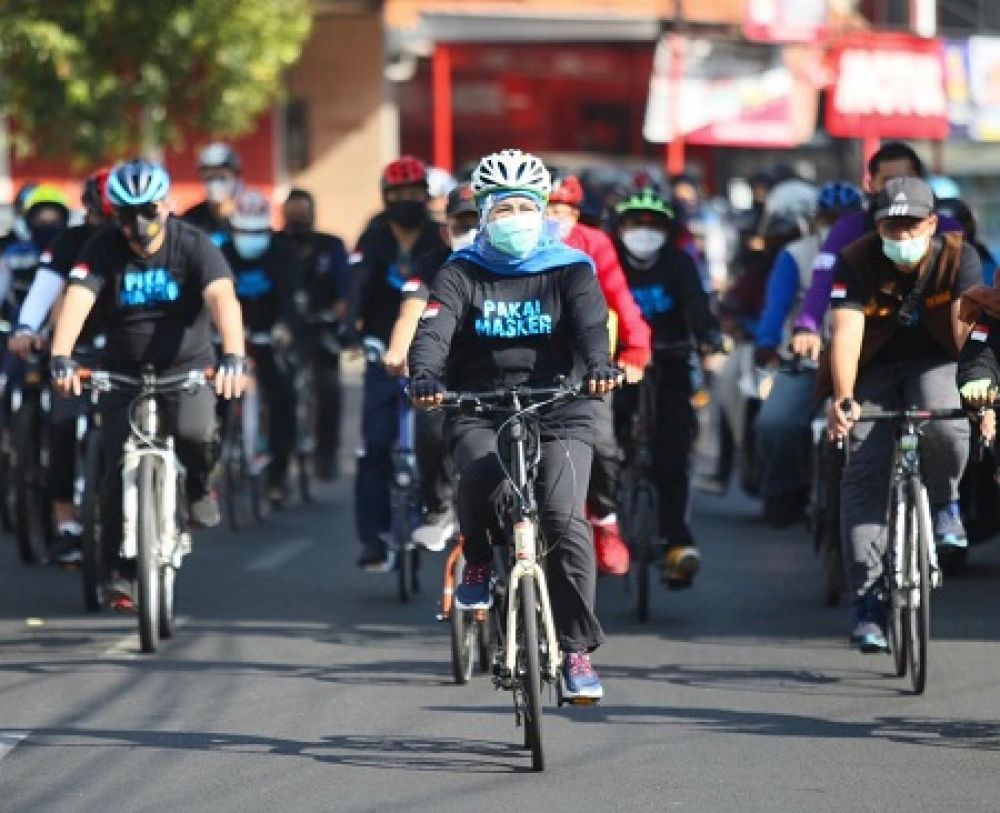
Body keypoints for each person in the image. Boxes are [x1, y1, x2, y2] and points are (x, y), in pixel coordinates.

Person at [408, 148, 621, 700]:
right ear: (483, 214)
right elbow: (434, 331)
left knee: (564, 519)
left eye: (526, 207)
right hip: (480, 404)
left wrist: (600, 367)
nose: (516, 219)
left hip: (561, 406)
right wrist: (425, 375)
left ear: (543, 209)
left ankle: (576, 652)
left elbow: (591, 327)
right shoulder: (460, 271)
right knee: (480, 476)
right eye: (503, 209)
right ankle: (478, 560)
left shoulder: (571, 267)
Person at [49, 159, 247, 608]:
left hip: (186, 367)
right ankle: (123, 571)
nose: (138, 225)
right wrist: (61, 355)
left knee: (196, 434)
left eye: (148, 211)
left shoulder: (193, 244)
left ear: (165, 205)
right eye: (126, 214)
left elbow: (222, 297)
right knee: (115, 469)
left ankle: (197, 488)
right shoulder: (102, 247)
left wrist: (233, 355)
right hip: (123, 371)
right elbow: (78, 295)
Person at [824, 177, 980, 653]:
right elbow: (846, 333)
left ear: (932, 223)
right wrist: (843, 398)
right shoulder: (855, 260)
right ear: (877, 227)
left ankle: (947, 504)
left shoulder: (959, 257)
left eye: (912, 225)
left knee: (944, 420)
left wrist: (981, 393)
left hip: (936, 360)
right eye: (892, 226)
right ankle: (868, 604)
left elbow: (966, 329)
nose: (902, 235)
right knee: (863, 473)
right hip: (873, 366)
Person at [612, 187, 721, 587]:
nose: (643, 230)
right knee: (604, 447)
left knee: (672, 457)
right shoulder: (609, 261)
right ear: (620, 227)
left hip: (671, 363)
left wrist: (708, 336)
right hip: (616, 367)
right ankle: (601, 530)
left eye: (653, 223)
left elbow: (696, 306)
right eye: (634, 222)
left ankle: (677, 543)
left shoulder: (678, 263)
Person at [545, 174, 651, 576]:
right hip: (534, 362)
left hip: (589, 363)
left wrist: (635, 349)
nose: (555, 218)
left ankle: (604, 519)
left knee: (603, 446)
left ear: (577, 214)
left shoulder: (596, 244)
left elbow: (621, 300)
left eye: (563, 210)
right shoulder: (521, 247)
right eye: (548, 209)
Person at [10, 169, 113, 565]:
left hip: (125, 352)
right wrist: (26, 328)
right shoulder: (69, 242)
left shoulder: (144, 243)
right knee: (62, 425)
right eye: (100, 215)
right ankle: (66, 520)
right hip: (75, 351)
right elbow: (44, 287)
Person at [351, 156, 447, 570]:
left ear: (426, 196)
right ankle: (373, 538)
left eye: (414, 193)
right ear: (385, 197)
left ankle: (436, 510)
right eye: (398, 194)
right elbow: (356, 287)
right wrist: (350, 331)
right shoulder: (373, 237)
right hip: (381, 349)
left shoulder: (438, 238)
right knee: (374, 444)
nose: (407, 200)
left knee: (439, 435)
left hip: (431, 349)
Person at [753, 182, 864, 527]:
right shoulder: (796, 255)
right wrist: (768, 343)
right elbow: (777, 306)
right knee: (775, 423)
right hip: (807, 361)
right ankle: (785, 489)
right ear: (816, 221)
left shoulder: (875, 252)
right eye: (829, 218)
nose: (836, 226)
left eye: (845, 218)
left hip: (862, 362)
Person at [792, 141, 961, 362]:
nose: (899, 189)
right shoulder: (849, 229)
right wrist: (807, 325)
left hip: (935, 348)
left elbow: (969, 292)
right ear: (870, 185)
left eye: (906, 178)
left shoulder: (950, 231)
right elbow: (824, 276)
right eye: (888, 181)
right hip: (867, 342)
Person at [379, 182, 480, 553]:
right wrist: (398, 351)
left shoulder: (509, 265)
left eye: (477, 222)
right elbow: (411, 312)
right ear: (445, 230)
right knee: (431, 424)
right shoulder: (430, 266)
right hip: (445, 370)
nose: (470, 231)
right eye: (461, 224)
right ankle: (438, 508)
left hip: (496, 371)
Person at [223, 189, 302, 504]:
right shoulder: (223, 254)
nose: (250, 239)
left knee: (283, 396)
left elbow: (291, 298)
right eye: (245, 231)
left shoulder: (283, 255)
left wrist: (284, 327)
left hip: (271, 335)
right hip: (232, 337)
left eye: (257, 232)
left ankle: (278, 474)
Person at [279, 189, 350, 480]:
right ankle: (276, 459)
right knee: (278, 390)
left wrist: (340, 310)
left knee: (329, 389)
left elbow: (345, 289)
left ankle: (326, 453)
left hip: (322, 328)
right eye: (293, 212)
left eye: (303, 212)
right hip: (285, 329)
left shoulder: (331, 245)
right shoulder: (275, 244)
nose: (299, 218)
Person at [182, 142, 242, 247]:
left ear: (235, 178)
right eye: (210, 178)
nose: (215, 184)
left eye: (221, 177)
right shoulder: (190, 221)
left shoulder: (248, 217)